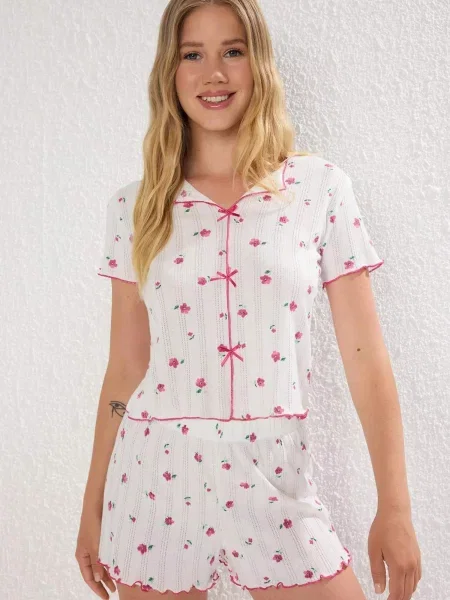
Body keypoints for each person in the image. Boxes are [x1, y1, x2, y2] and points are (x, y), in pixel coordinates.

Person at [76, 1, 422, 599]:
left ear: (258, 63)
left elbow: (367, 361)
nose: (213, 73)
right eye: (193, 54)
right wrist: (92, 505)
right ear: (170, 70)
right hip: (155, 480)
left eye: (232, 51)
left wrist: (395, 507)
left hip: (275, 478)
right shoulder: (135, 207)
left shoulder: (318, 189)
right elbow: (126, 368)